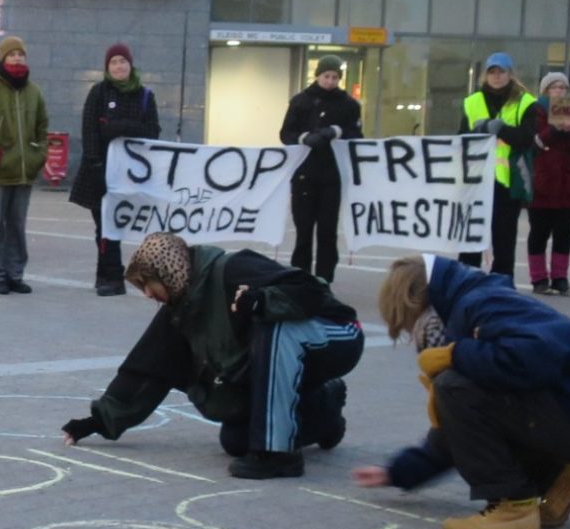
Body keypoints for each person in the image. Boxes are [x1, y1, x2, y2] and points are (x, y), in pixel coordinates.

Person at [352, 255, 570, 529]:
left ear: (416, 303)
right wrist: (399, 472)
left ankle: (512, 509)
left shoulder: (481, 304)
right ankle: (559, 482)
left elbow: (532, 360)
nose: (415, 339)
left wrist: (456, 355)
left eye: (408, 327)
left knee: (453, 387)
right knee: (461, 392)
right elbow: (460, 430)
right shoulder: (474, 302)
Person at [60, 232, 361, 479]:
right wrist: (98, 422)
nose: (147, 294)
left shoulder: (233, 268)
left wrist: (260, 301)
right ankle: (324, 412)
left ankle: (278, 456)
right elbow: (148, 368)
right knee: (236, 440)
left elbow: (310, 290)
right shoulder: (180, 309)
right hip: (283, 362)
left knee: (274, 328)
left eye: (148, 284)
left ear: (169, 272)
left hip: (334, 335)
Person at [71, 42, 161, 294]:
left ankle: (111, 276)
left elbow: (152, 131)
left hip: (131, 175)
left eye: (123, 61)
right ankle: (109, 276)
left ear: (130, 65)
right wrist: (95, 165)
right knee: (103, 226)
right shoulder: (98, 93)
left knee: (118, 224)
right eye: (114, 62)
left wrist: (119, 127)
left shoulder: (145, 96)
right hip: (99, 171)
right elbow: (90, 131)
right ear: (107, 67)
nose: (119, 66)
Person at [0, 35, 49, 294]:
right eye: (12, 54)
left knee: (17, 226)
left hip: (24, 172)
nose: (17, 58)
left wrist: (39, 154)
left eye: (20, 54)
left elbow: (42, 127)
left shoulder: (34, 92)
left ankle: (15, 274)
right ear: (2, 59)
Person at [278, 54, 363, 283]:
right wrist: (304, 138)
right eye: (326, 76)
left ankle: (325, 277)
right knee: (303, 230)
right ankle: (301, 275)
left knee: (327, 231)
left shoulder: (348, 104)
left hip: (332, 175)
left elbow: (357, 135)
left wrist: (337, 132)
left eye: (335, 77)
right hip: (304, 174)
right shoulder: (300, 101)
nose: (330, 81)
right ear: (318, 76)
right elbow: (286, 133)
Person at [456, 52, 538, 282]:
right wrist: (477, 132)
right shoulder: (472, 102)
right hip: (476, 179)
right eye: (492, 72)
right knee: (471, 233)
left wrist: (502, 129)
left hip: (508, 180)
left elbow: (527, 139)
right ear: (485, 75)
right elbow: (461, 139)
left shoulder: (525, 102)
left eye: (501, 72)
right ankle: (466, 279)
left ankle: (502, 280)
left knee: (504, 237)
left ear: (510, 74)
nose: (497, 76)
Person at [524, 72, 570, 296]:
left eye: (563, 87)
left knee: (564, 234)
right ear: (545, 91)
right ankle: (538, 278)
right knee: (539, 232)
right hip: (542, 182)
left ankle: (560, 278)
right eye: (554, 87)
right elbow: (534, 143)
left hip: (568, 183)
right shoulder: (535, 111)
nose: (559, 91)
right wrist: (556, 129)